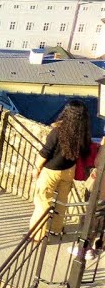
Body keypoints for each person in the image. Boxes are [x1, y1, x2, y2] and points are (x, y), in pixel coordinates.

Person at [31, 100, 93, 240]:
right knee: (61, 202)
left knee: (43, 202)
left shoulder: (58, 131)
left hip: (51, 171)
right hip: (69, 170)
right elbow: (84, 151)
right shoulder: (82, 133)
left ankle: (37, 235)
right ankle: (56, 229)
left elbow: (45, 152)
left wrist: (36, 168)